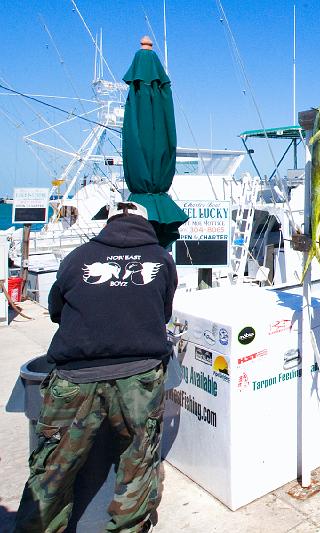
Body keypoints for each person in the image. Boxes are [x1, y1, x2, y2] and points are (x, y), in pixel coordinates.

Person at [15, 202, 178, 532]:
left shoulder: (77, 257)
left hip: (76, 377)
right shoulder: (162, 260)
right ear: (147, 225)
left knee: (53, 470)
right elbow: (163, 313)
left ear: (109, 222)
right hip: (139, 377)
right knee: (138, 463)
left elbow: (57, 310)